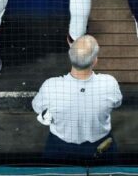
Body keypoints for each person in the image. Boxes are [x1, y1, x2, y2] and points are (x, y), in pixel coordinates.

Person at [32, 35, 121, 163]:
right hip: (101, 145)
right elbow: (117, 103)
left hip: (59, 147)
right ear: (95, 61)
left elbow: (37, 107)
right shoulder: (109, 83)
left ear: (70, 56)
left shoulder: (50, 86)